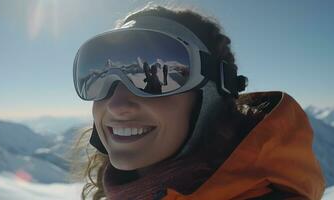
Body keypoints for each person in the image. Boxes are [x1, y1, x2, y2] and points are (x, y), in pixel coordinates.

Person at [71, 4, 325, 200]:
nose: (116, 105)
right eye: (101, 76)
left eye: (157, 79)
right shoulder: (124, 189)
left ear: (212, 95)